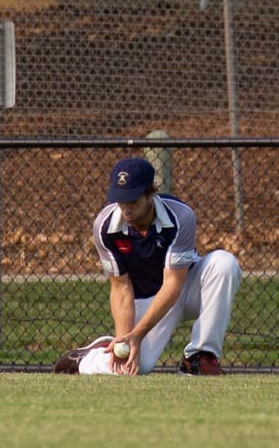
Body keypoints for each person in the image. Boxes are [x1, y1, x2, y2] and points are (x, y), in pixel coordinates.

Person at [54, 155, 240, 375]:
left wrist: (139, 333)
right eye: (120, 200)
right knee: (130, 368)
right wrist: (125, 340)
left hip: (187, 287)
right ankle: (86, 358)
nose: (126, 209)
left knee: (224, 264)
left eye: (132, 200)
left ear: (150, 192)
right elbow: (121, 288)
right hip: (145, 298)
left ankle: (199, 358)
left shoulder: (181, 216)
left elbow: (173, 283)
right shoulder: (104, 226)